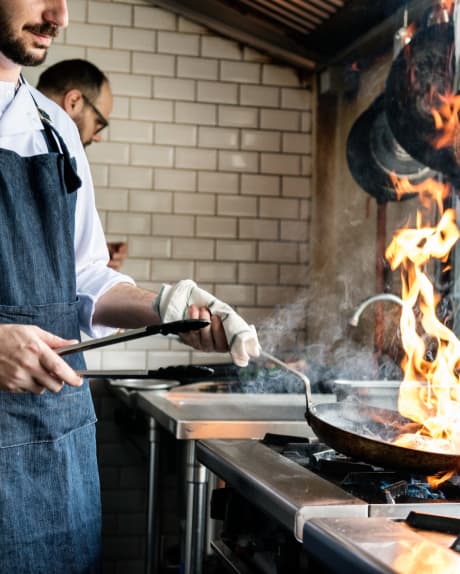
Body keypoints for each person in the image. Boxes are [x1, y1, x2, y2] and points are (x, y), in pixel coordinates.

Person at [0, 2, 260, 573]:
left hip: (54, 447)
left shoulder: (56, 128)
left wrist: (168, 308)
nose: (59, 15)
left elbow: (86, 277)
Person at [37, 58, 127, 270]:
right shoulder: (34, 153)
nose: (97, 137)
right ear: (74, 101)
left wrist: (88, 256)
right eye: (99, 123)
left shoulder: (63, 158)